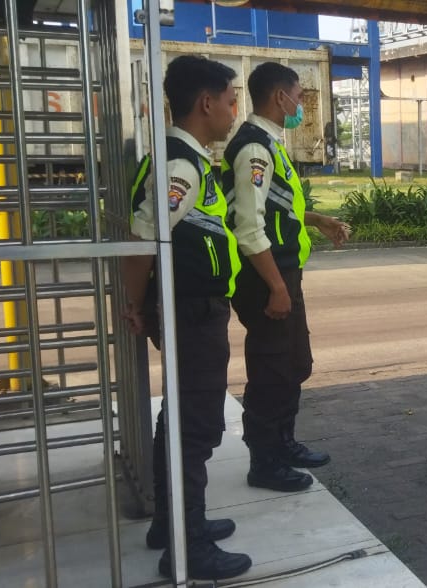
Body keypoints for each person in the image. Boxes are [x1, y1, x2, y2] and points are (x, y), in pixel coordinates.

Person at [122, 55, 252, 580]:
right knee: (194, 427)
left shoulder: (186, 158)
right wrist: (135, 305)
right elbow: (142, 240)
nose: (233, 112)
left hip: (192, 310)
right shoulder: (181, 165)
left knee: (177, 417)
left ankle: (170, 522)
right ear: (206, 102)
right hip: (192, 314)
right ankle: (187, 545)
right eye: (230, 102)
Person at [220, 62, 350, 492]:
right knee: (271, 369)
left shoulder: (269, 144)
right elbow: (247, 225)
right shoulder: (254, 149)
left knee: (294, 363)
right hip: (266, 277)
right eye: (299, 96)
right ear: (280, 97)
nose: (300, 105)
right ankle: (265, 461)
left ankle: (284, 442)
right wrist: (276, 287)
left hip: (283, 273)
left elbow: (277, 206)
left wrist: (317, 219)